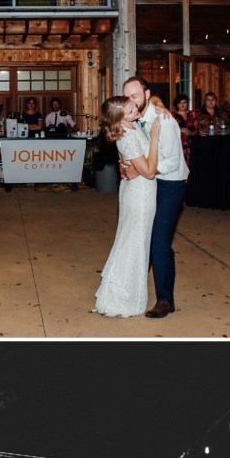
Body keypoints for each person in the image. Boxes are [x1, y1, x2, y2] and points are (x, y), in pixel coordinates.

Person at [122, 76, 188, 319]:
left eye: (135, 95)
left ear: (147, 94)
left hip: (170, 184)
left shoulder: (165, 121)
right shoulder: (132, 117)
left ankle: (165, 300)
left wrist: (143, 169)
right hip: (146, 185)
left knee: (159, 241)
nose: (131, 100)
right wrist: (127, 164)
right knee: (146, 238)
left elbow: (172, 161)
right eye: (127, 96)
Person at [93, 95, 160, 317]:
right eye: (131, 110)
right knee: (135, 243)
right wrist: (155, 138)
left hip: (137, 191)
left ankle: (128, 291)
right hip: (140, 194)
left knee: (134, 241)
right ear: (120, 119)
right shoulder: (128, 137)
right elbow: (149, 172)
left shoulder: (129, 127)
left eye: (134, 106)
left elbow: (153, 101)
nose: (136, 110)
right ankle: (124, 297)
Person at [171, 94, 197, 168]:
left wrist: (191, 132)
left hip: (193, 145)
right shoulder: (172, 115)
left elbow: (197, 130)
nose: (182, 104)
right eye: (180, 102)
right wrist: (180, 130)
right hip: (178, 146)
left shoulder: (192, 114)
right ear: (176, 104)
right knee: (181, 167)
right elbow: (168, 131)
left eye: (184, 102)